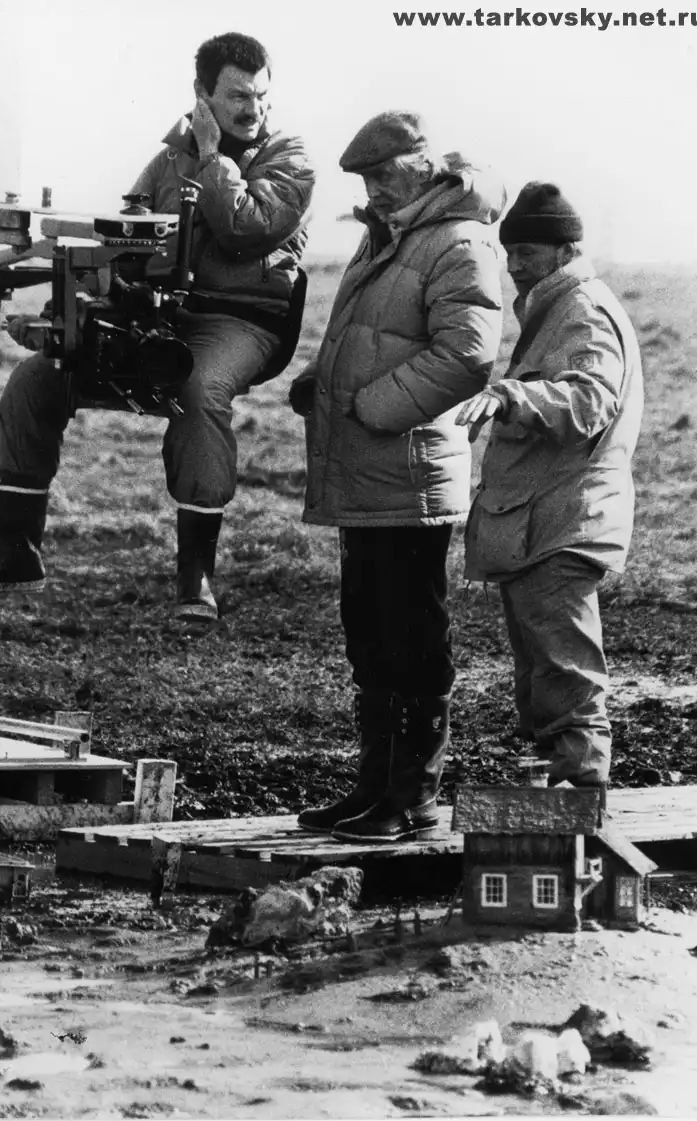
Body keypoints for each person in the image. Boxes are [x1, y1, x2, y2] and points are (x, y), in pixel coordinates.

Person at [0, 32, 315, 621]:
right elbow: (125, 242)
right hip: (162, 312)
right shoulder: (166, 160)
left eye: (261, 96)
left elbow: (245, 229)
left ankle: (195, 576)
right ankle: (17, 548)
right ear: (202, 94)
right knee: (38, 378)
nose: (254, 109)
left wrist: (211, 156)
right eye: (239, 96)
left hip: (242, 318)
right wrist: (69, 307)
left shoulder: (290, 158)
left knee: (198, 390)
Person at [289, 111, 505, 843]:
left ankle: (411, 798)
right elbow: (373, 336)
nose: (373, 189)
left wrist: (373, 407)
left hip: (410, 477)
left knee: (412, 636)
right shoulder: (390, 234)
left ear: (421, 166)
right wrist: (322, 381)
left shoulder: (459, 240)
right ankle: (374, 787)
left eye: (383, 174)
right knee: (371, 632)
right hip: (371, 473)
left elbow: (467, 355)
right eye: (365, 178)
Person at [455, 182, 644, 790]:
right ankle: (559, 799)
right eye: (509, 253)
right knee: (547, 670)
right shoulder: (556, 307)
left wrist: (511, 396)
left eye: (528, 253)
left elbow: (591, 402)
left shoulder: (580, 310)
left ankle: (580, 796)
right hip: (545, 521)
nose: (514, 266)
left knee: (565, 673)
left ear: (566, 251)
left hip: (562, 523)